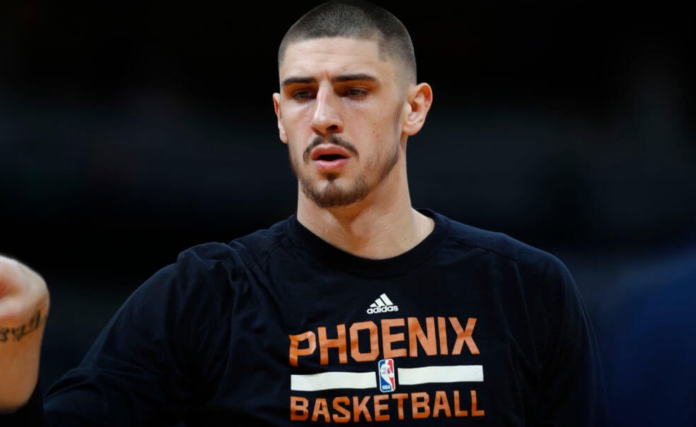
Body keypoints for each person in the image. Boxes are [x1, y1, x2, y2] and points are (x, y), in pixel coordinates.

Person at [0, 1, 608, 425]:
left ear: (414, 109)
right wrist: (13, 360)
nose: (322, 117)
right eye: (300, 94)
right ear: (279, 116)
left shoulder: (525, 288)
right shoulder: (205, 294)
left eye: (354, 90)